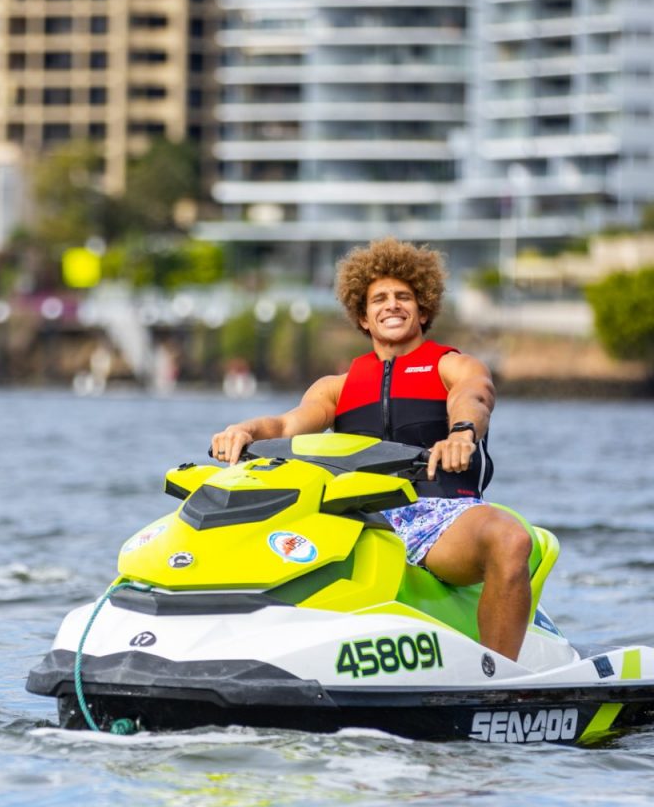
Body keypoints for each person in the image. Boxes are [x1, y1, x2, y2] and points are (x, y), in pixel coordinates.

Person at [210, 238, 533, 661]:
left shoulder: (450, 365)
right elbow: (286, 425)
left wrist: (462, 433)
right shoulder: (337, 386)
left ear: (423, 309)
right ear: (363, 316)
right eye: (379, 298)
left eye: (404, 297)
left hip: (437, 516)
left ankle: (500, 681)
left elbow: (474, 394)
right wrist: (243, 430)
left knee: (510, 538)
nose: (392, 305)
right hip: (356, 517)